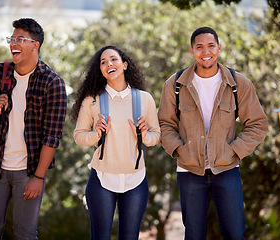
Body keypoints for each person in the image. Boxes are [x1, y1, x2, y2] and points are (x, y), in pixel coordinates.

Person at [158, 26, 268, 239]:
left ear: (219, 48)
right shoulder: (175, 84)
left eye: (210, 46)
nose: (205, 51)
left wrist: (234, 151)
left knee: (235, 234)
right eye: (199, 47)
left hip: (227, 169)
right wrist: (180, 149)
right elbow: (164, 124)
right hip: (189, 171)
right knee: (193, 235)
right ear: (192, 51)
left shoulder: (238, 83)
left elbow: (257, 124)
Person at [0, 18, 67, 239]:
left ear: (35, 45)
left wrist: (39, 177)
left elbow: (52, 137)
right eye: (12, 38)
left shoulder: (52, 83)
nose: (13, 43)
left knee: (25, 233)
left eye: (20, 39)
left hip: (29, 172)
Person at [72, 45, 160, 239]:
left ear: (125, 65)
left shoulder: (144, 99)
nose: (109, 64)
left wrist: (145, 135)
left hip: (136, 180)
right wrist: (96, 134)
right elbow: (78, 136)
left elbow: (156, 135)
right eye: (103, 62)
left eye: (113, 59)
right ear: (101, 71)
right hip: (102, 179)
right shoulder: (92, 101)